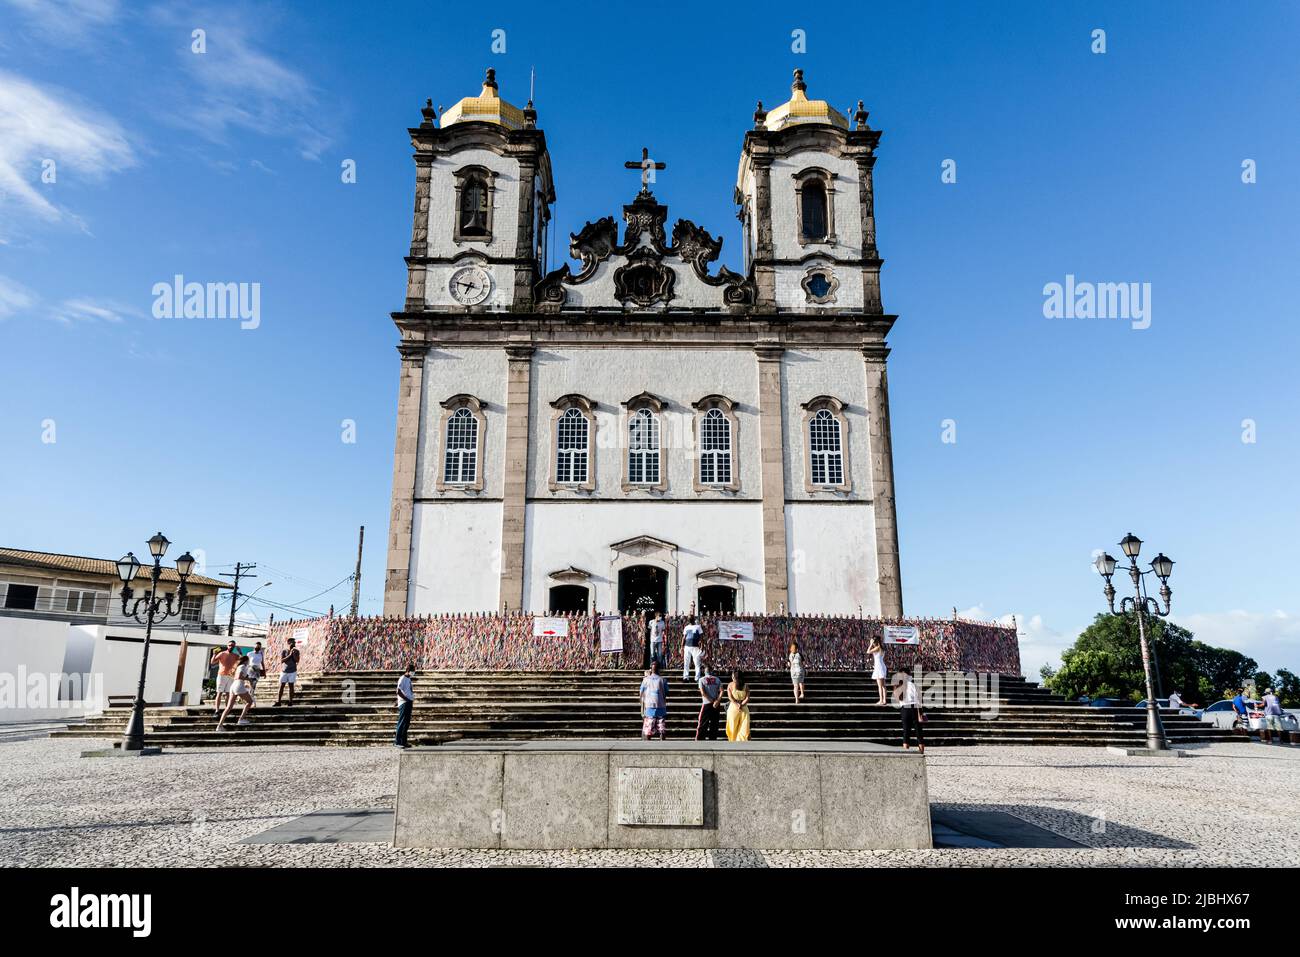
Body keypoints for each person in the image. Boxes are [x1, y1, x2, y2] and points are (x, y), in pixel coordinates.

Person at [217, 655, 256, 730]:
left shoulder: (238, 667)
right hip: (238, 685)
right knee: (250, 702)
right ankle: (241, 719)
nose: (248, 662)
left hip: (233, 686)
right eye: (248, 660)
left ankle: (219, 725)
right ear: (245, 661)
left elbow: (237, 677)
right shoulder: (243, 666)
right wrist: (249, 679)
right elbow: (239, 677)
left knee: (228, 707)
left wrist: (246, 681)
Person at [896, 665, 925, 753]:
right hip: (914, 708)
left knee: (906, 732)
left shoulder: (898, 686)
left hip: (904, 709)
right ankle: (921, 753)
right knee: (918, 732)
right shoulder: (913, 685)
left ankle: (906, 753)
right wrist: (920, 714)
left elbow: (898, 701)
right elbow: (918, 701)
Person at [210, 640, 240, 716]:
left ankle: (227, 711)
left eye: (232, 645)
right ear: (227, 646)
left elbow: (242, 661)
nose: (231, 646)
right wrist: (214, 654)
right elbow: (212, 662)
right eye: (230, 645)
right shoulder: (222, 653)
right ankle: (217, 711)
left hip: (230, 676)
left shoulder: (235, 655)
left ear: (234, 646)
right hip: (221, 675)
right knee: (219, 693)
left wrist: (240, 652)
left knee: (228, 694)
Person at [639, 662, 669, 741]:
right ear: (659, 670)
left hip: (649, 706)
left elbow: (641, 692)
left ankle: (648, 745)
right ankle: (662, 742)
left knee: (649, 728)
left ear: (651, 670)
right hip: (661, 706)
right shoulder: (663, 680)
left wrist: (642, 704)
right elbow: (667, 692)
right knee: (661, 727)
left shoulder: (645, 680)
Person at [696, 664, 724, 741]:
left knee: (702, 723)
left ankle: (700, 739)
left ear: (705, 671)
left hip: (706, 703)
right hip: (716, 704)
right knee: (714, 723)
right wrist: (717, 700)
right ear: (711, 671)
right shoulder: (717, 679)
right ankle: (712, 738)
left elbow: (703, 693)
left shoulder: (701, 680)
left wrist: (710, 700)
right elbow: (722, 691)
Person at [725, 669, 751, 742]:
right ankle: (737, 741)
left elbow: (731, 697)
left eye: (733, 676)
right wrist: (740, 704)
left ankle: (737, 740)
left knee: (738, 725)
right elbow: (747, 697)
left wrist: (738, 704)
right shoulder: (744, 685)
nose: (732, 677)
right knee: (739, 725)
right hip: (740, 707)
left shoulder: (733, 685)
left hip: (737, 707)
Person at [274, 637, 300, 707]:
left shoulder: (296, 651)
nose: (294, 644)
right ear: (288, 643)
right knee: (281, 686)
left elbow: (297, 660)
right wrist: (290, 655)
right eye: (292, 642)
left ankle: (290, 702)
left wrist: (293, 654)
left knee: (291, 686)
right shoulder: (284, 651)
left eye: (294, 642)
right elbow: (282, 660)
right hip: (284, 671)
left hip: (293, 671)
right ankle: (278, 701)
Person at [395, 664, 415, 749]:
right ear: (408, 670)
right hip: (404, 702)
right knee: (402, 722)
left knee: (406, 723)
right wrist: (405, 699)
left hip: (408, 702)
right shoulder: (402, 678)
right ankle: (398, 741)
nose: (413, 673)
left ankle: (404, 741)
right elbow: (398, 691)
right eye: (413, 671)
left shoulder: (409, 679)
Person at [681, 615, 704, 682]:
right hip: (687, 647)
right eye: (689, 619)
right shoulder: (686, 627)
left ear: (694, 619)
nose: (690, 620)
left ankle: (697, 678)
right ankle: (685, 677)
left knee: (697, 662)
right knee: (686, 662)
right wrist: (682, 647)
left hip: (695, 647)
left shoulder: (698, 627)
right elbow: (684, 637)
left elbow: (701, 637)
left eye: (691, 619)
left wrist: (702, 645)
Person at [867, 635, 887, 705]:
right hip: (881, 666)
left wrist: (870, 644)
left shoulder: (877, 648)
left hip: (879, 667)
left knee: (880, 685)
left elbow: (868, 651)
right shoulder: (881, 647)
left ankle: (881, 700)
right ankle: (884, 700)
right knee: (883, 685)